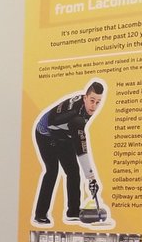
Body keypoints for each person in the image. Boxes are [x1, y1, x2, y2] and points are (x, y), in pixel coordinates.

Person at [32, 81, 105, 225]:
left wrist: (90, 179)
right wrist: (91, 179)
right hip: (45, 134)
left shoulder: (86, 109)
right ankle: (40, 214)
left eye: (98, 102)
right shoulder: (75, 117)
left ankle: (73, 212)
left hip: (62, 134)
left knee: (72, 171)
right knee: (52, 171)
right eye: (92, 101)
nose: (94, 106)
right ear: (85, 98)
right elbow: (81, 148)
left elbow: (77, 141)